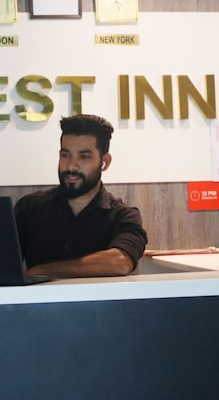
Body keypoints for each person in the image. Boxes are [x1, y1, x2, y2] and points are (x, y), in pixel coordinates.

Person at [14, 114, 147, 278]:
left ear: (105, 162)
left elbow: (120, 262)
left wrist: (40, 272)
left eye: (84, 156)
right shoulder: (29, 208)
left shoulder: (123, 216)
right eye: (65, 155)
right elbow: (0, 262)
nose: (71, 166)